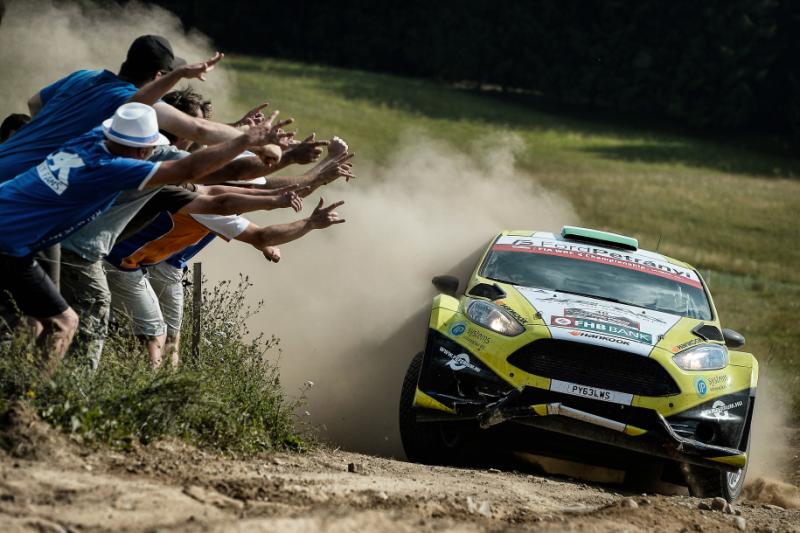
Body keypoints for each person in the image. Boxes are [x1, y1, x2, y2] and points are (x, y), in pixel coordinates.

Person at [0, 102, 293, 373]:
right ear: (142, 151)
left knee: (31, 316)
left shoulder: (88, 139)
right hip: (34, 244)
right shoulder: (121, 170)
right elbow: (208, 180)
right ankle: (53, 391)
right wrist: (252, 144)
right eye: (148, 148)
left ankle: (23, 379)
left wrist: (243, 136)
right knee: (66, 321)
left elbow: (204, 162)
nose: (150, 153)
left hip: (31, 239)